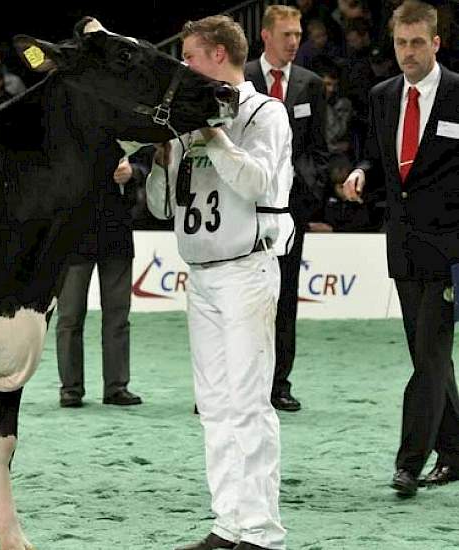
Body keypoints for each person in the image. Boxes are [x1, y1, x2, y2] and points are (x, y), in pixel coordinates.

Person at [147, 15, 293, 550]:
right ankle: (228, 523)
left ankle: (261, 531)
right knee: (213, 405)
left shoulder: (263, 113)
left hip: (246, 269)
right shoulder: (186, 124)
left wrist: (213, 134)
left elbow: (256, 181)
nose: (184, 67)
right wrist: (163, 161)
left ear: (216, 55)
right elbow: (164, 206)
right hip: (202, 273)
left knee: (249, 401)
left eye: (189, 57)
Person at [342, 0, 459, 497]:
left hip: (451, 248)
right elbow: (375, 152)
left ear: (436, 43)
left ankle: (409, 462)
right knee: (428, 353)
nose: (407, 53)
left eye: (416, 43)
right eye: (399, 43)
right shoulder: (382, 95)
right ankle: (454, 453)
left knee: (429, 354)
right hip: (404, 243)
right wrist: (363, 172)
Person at [244, 4, 329, 412]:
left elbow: (319, 151)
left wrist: (305, 195)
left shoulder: (311, 84)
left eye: (298, 34)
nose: (294, 41)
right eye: (286, 34)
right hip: (242, 208)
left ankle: (279, 383)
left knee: (286, 297)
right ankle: (237, 383)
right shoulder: (242, 79)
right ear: (266, 36)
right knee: (240, 297)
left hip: (290, 212)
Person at [56, 155, 141, 408]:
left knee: (118, 317)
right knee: (69, 317)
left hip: (117, 236)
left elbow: (150, 161)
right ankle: (70, 389)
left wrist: (133, 172)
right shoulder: (68, 129)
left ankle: (116, 387)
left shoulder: (128, 124)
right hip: (74, 238)